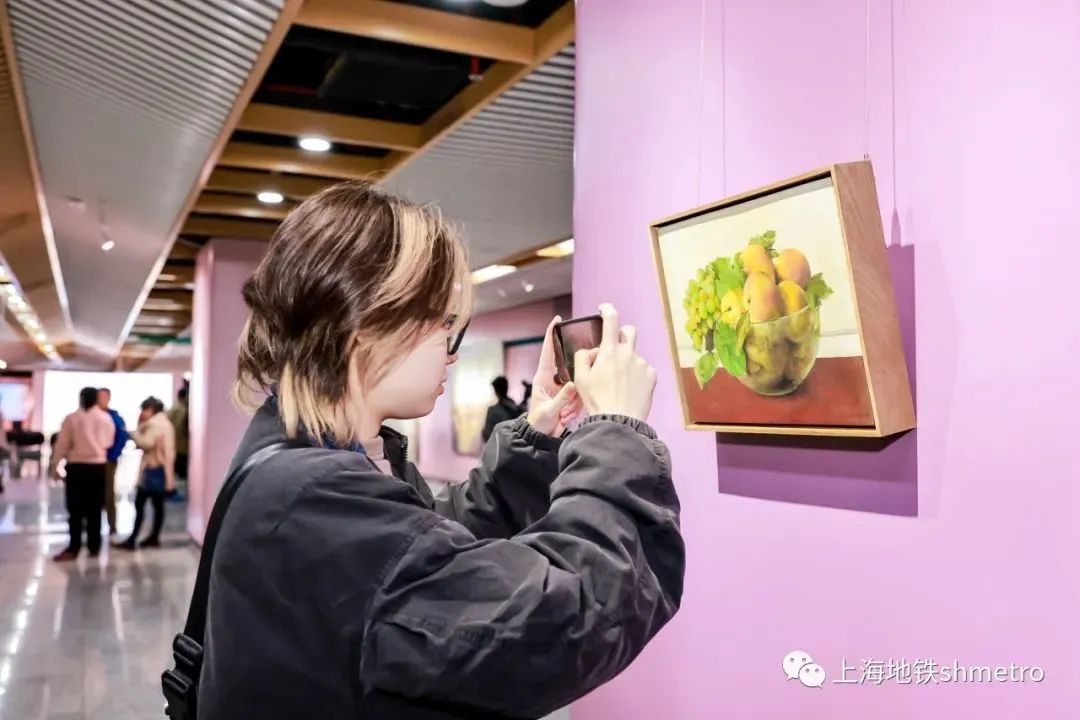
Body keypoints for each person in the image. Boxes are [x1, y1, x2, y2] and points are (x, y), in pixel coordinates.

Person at [195, 182, 683, 719]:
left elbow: (423, 555)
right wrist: (618, 431)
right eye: (444, 324)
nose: (451, 351)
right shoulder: (315, 498)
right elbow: (576, 617)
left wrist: (536, 437)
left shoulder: (299, 458)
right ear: (370, 324)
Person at [50, 387, 115, 561]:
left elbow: (62, 444)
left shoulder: (72, 419)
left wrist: (54, 466)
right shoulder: (105, 418)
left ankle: (74, 546)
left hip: (76, 468)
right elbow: (108, 442)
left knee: (75, 510)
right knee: (95, 509)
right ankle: (94, 547)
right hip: (97, 467)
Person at [116, 396, 175, 550]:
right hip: (161, 468)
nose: (142, 413)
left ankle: (133, 539)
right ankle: (153, 537)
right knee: (157, 506)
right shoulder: (166, 423)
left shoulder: (154, 425)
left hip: (152, 468)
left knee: (140, 504)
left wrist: (134, 433)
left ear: (151, 410)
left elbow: (147, 443)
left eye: (144, 409)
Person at [97, 387, 129, 536]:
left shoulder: (114, 417)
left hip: (108, 460)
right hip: (93, 461)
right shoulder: (91, 416)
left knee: (109, 494)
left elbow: (122, 437)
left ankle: (112, 524)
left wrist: (112, 455)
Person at [480, 375, 530, 442]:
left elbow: (488, 434)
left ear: (495, 390)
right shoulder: (515, 408)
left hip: (499, 447)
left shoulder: (493, 410)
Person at [166, 384, 189, 497]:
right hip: (180, 446)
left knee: (174, 470)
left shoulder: (172, 408)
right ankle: (178, 492)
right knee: (180, 471)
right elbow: (180, 428)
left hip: (173, 445)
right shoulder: (181, 410)